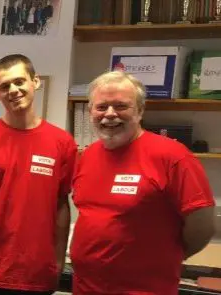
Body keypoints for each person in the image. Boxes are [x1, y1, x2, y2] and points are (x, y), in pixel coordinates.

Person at [70, 71, 216, 294]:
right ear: (90, 111)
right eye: (101, 107)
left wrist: (166, 257)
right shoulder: (87, 156)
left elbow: (202, 224)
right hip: (86, 287)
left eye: (120, 106)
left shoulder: (172, 156)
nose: (110, 114)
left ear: (140, 111)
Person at [0, 54, 76, 295]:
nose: (13, 90)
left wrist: (58, 263)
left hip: (38, 275)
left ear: (35, 82)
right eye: (4, 86)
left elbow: (62, 206)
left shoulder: (63, 143)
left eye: (19, 81)